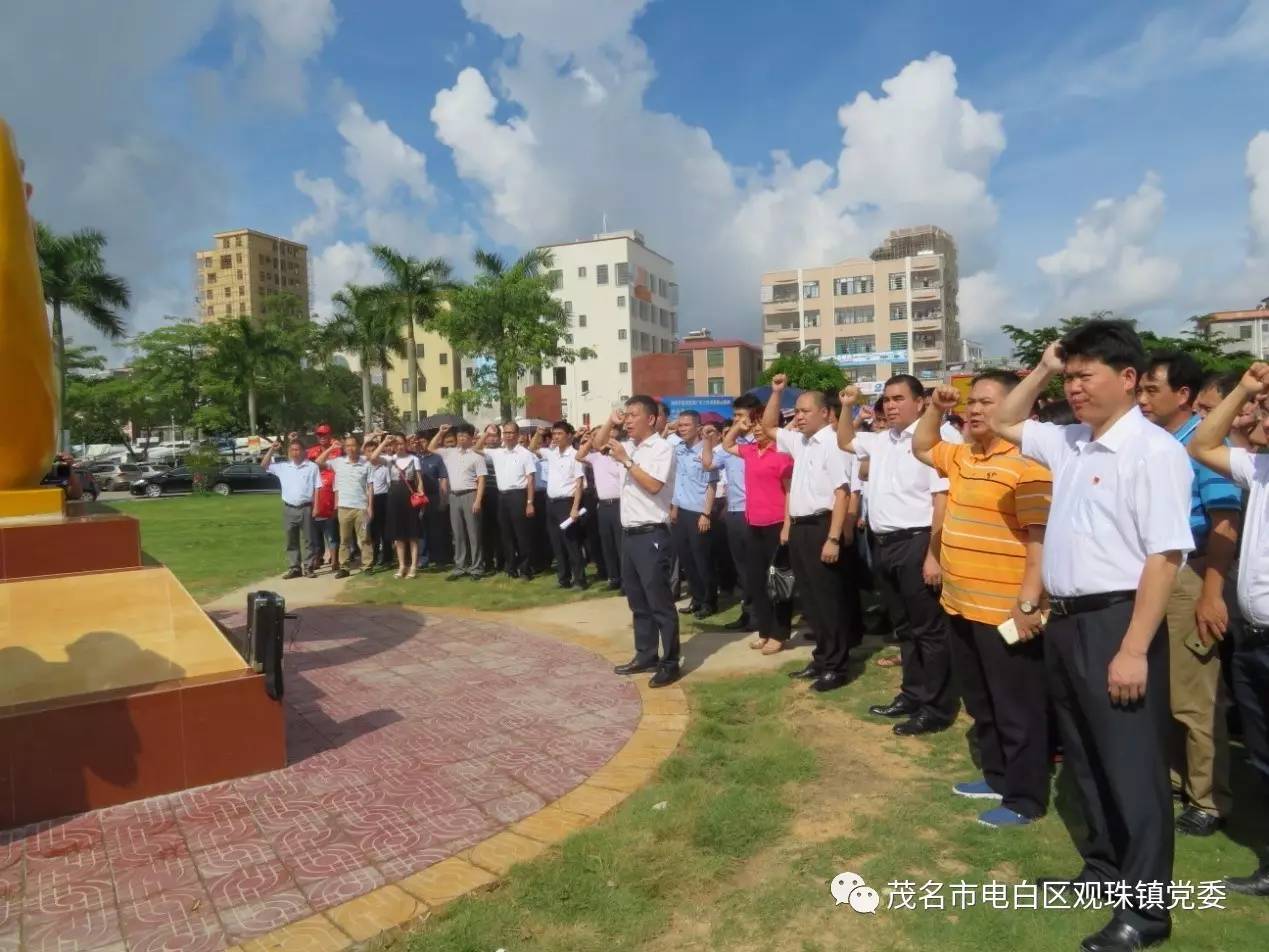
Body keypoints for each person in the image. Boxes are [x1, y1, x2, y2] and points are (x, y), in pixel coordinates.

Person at [992, 320, 1194, 951]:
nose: (1074, 388)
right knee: (1084, 758)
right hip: (1069, 621)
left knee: (1133, 770)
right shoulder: (1073, 442)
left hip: (1119, 621)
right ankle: (1104, 872)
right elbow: (1003, 419)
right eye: (1070, 376)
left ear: (1128, 379)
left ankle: (1147, 912)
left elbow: (1165, 556)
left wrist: (1133, 648)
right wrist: (1044, 368)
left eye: (1086, 375)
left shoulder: (1153, 452)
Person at [912, 374, 1053, 829]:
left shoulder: (1028, 464)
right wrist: (936, 407)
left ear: (1017, 409)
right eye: (971, 402)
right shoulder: (964, 455)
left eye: (986, 403)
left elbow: (1039, 543)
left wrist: (1027, 605)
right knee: (981, 700)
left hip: (1004, 611)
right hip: (961, 605)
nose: (974, 410)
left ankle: (1026, 797)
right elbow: (922, 446)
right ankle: (997, 776)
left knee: (1017, 707)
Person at [1138, 350, 1241, 836]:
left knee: (1194, 696)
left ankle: (1208, 799)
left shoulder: (1202, 446)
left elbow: (1224, 521)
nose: (1142, 399)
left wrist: (1210, 592)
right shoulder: (1155, 443)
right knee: (1165, 689)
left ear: (1182, 395)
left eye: (1151, 390)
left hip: (1190, 574)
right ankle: (1180, 783)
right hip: (1157, 573)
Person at [838, 375, 959, 735]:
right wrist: (846, 406)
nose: (890, 406)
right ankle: (912, 694)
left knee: (929, 630)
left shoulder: (936, 437)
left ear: (921, 402)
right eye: (887, 400)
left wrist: (934, 554)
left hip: (919, 541)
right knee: (905, 628)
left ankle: (936, 707)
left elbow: (942, 501)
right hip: (885, 543)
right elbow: (845, 440)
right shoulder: (882, 440)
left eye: (899, 398)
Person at [1188, 362, 1269, 897]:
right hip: (1256, 640)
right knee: (1262, 757)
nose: (1261, 417)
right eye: (1262, 408)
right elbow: (1203, 443)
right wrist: (1244, 387)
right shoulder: (1257, 467)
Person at [760, 376, 857, 692]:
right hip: (800, 527)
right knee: (811, 601)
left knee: (829, 600)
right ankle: (822, 658)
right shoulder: (800, 441)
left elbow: (842, 493)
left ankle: (837, 666)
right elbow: (768, 426)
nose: (798, 417)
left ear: (826, 413)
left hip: (822, 526)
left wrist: (833, 538)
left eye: (805, 411)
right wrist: (776, 393)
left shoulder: (833, 443)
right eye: (797, 411)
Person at [592, 398, 680, 687]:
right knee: (637, 600)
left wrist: (627, 462)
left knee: (659, 602)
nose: (628, 421)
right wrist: (610, 421)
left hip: (652, 533)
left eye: (633, 415)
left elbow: (654, 485)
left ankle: (670, 662)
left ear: (651, 419)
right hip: (629, 534)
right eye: (626, 415)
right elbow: (597, 444)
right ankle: (646, 654)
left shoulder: (662, 448)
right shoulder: (628, 445)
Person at [722, 403, 794, 653]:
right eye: (754, 424)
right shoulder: (751, 451)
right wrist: (738, 425)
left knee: (778, 582)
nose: (757, 429)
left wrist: (787, 525)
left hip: (776, 525)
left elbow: (790, 491)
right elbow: (727, 445)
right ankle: (764, 630)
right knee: (757, 581)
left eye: (762, 423)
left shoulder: (782, 453)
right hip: (753, 524)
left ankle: (779, 633)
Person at [703, 406, 755, 632]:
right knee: (741, 568)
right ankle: (748, 613)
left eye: (740, 416)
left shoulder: (759, 443)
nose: (736, 420)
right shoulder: (730, 446)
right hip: (733, 511)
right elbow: (708, 464)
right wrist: (707, 441)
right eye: (734, 416)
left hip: (753, 512)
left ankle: (761, 615)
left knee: (756, 567)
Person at [670, 411, 720, 619]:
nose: (681, 429)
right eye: (679, 425)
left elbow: (712, 485)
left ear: (698, 427)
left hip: (699, 512)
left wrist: (706, 514)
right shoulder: (679, 450)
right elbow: (676, 480)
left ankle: (709, 601)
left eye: (686, 425)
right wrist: (674, 507)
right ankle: (697, 599)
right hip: (681, 510)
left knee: (702, 560)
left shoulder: (706, 452)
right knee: (687, 559)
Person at [474, 422, 538, 580]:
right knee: (506, 534)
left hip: (518, 495)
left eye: (511, 433)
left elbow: (531, 479)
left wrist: (530, 502)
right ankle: (511, 567)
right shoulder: (498, 452)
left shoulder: (525, 454)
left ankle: (525, 569)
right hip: (502, 496)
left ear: (517, 435)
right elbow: (476, 449)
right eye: (505, 433)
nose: (508, 436)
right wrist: (487, 434)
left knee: (521, 534)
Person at [532, 422, 588, 589]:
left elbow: (579, 483)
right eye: (554, 434)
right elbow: (532, 448)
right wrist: (538, 434)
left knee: (571, 543)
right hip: (551, 503)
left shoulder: (575, 455)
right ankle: (563, 578)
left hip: (567, 503)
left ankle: (579, 579)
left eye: (559, 434)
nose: (556, 437)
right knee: (556, 543)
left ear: (569, 436)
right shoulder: (552, 453)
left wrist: (575, 508)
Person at [429, 424, 486, 580]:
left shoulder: (476, 456)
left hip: (470, 494)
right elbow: (431, 447)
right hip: (454, 496)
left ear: (471, 438)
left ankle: (476, 568)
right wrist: (440, 432)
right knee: (458, 533)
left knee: (473, 533)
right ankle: (460, 567)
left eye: (464, 436)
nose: (461, 439)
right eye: (459, 436)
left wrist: (478, 500)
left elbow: (481, 480)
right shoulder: (450, 453)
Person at [261, 436, 320, 579]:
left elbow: (317, 487)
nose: (295, 453)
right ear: (289, 452)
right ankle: (294, 568)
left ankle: (308, 567)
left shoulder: (312, 467)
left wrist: (316, 507)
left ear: (304, 451)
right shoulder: (283, 467)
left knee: (309, 540)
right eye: (292, 450)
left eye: (298, 450)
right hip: (289, 508)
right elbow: (264, 466)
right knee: (291, 540)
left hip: (306, 507)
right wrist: (271, 449)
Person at [366, 433, 424, 579]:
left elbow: (419, 480)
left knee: (412, 534)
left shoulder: (414, 459)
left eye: (401, 443)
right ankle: (402, 565)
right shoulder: (389, 459)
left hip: (410, 496)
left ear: (406, 443)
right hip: (394, 496)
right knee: (398, 535)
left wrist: (421, 495)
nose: (399, 446)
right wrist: (385, 441)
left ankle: (413, 566)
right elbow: (373, 458)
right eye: (396, 444)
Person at [316, 435, 374, 579]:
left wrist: (370, 507)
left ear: (358, 446)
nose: (351, 448)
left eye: (353, 445)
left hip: (361, 507)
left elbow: (370, 487)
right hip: (344, 507)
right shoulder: (338, 462)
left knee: (365, 538)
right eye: (347, 446)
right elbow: (318, 462)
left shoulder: (366, 464)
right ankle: (344, 567)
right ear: (344, 448)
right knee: (345, 539)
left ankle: (367, 565)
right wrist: (331, 448)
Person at [579, 432, 625, 591]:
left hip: (619, 503)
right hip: (603, 505)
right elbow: (579, 456)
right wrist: (590, 441)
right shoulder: (595, 457)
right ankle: (613, 578)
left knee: (620, 544)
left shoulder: (617, 456)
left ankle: (626, 580)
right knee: (607, 543)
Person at [415, 430, 450, 570]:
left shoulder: (436, 458)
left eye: (424, 441)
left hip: (434, 497)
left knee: (436, 529)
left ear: (429, 442)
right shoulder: (415, 458)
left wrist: (443, 499)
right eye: (419, 442)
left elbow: (443, 479)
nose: (421, 444)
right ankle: (423, 558)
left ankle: (439, 558)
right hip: (418, 499)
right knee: (421, 529)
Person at [367, 446, 392, 571]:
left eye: (374, 450)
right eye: (369, 451)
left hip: (382, 499)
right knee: (371, 532)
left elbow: (389, 485)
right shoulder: (366, 468)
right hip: (368, 500)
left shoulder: (384, 468)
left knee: (384, 530)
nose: (372, 453)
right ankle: (373, 557)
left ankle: (387, 558)